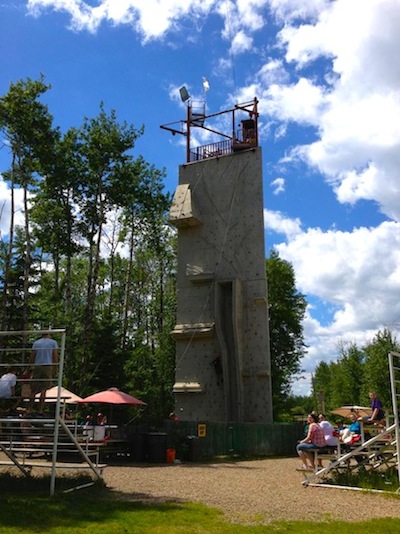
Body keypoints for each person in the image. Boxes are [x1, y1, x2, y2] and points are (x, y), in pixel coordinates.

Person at [28, 332, 58, 415]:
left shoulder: (36, 343)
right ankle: (40, 410)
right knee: (44, 389)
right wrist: (56, 368)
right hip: (48, 366)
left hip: (37, 366)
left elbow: (32, 356)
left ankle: (29, 409)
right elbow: (55, 356)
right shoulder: (53, 342)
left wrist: (28, 367)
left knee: (33, 389)